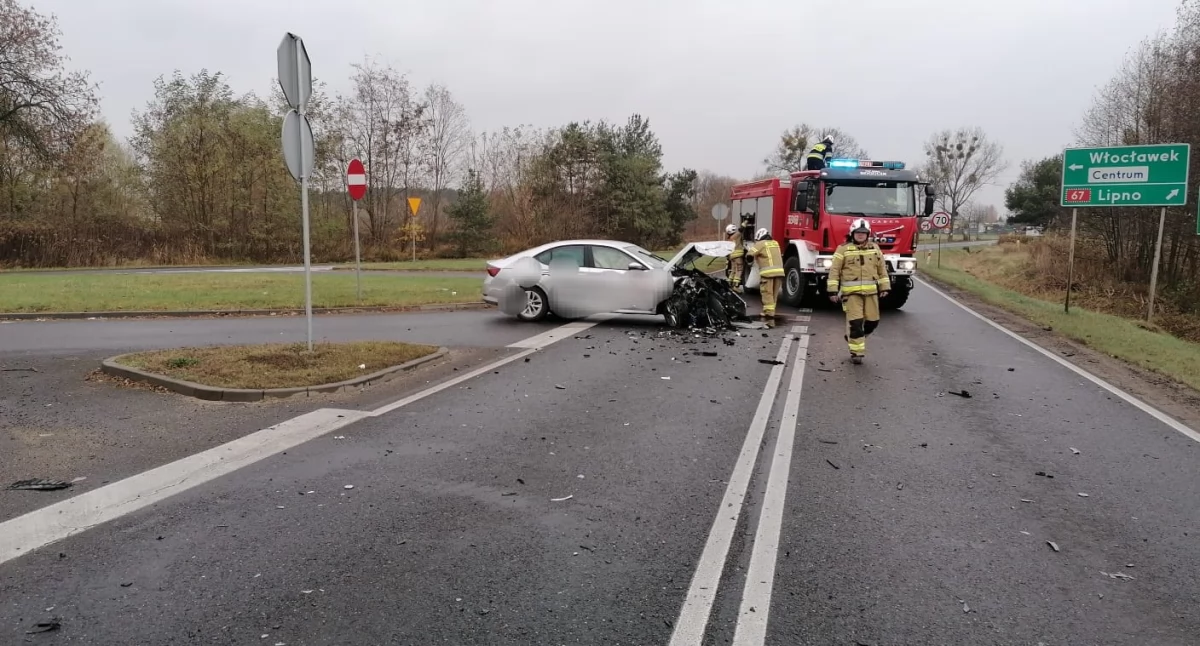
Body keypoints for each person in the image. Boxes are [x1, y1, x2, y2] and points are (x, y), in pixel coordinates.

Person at [826, 218, 890, 364]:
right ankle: (856, 352)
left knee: (873, 322)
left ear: (868, 234)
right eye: (858, 232)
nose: (861, 235)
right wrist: (832, 291)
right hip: (851, 294)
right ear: (852, 233)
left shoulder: (875, 249)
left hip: (871, 293)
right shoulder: (843, 249)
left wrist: (884, 287)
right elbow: (834, 271)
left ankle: (854, 337)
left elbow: (882, 269)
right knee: (855, 323)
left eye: (864, 233)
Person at [748, 228, 785, 327]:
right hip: (779, 272)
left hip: (768, 273)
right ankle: (771, 310)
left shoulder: (760, 244)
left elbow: (750, 254)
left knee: (767, 292)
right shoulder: (775, 243)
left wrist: (750, 260)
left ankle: (769, 313)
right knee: (774, 293)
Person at [725, 223, 745, 293]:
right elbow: (741, 229)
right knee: (739, 270)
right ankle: (736, 286)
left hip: (732, 256)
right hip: (738, 256)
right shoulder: (737, 235)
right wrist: (746, 221)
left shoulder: (729, 238)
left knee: (733, 270)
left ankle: (729, 283)